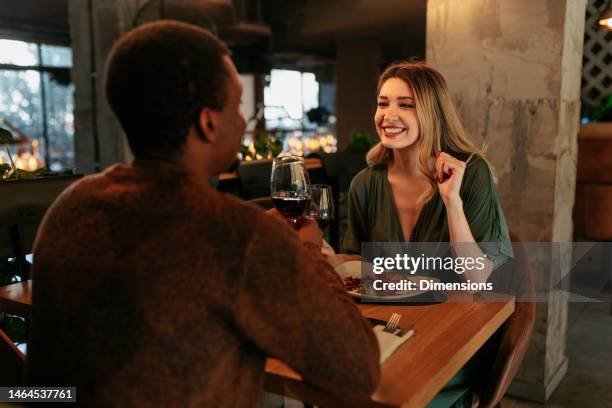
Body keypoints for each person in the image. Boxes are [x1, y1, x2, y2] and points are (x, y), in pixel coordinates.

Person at [26, 21, 380, 406]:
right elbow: (358, 371)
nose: (245, 121)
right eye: (237, 105)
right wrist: (306, 254)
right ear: (208, 123)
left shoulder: (69, 208)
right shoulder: (236, 234)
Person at [342, 61, 514, 407]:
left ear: (432, 113)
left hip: (450, 342)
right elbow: (354, 263)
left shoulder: (472, 173)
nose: (388, 114)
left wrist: (451, 202)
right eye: (383, 102)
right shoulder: (364, 183)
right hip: (386, 332)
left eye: (406, 104)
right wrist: (328, 259)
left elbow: (477, 277)